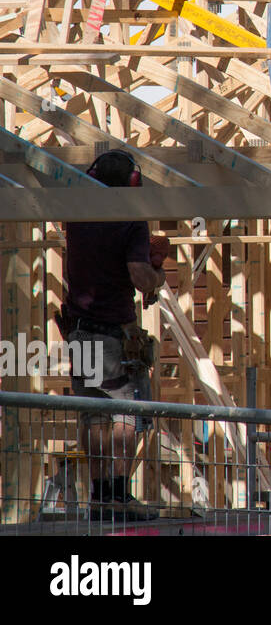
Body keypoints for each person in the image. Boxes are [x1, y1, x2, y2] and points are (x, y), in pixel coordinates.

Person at [61, 149, 166, 522]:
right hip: (112, 336)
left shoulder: (77, 216)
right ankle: (120, 496)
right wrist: (157, 276)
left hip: (80, 331)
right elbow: (139, 276)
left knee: (93, 416)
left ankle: (100, 497)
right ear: (133, 183)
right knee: (128, 416)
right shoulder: (130, 220)